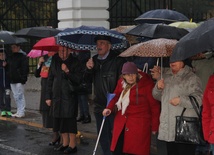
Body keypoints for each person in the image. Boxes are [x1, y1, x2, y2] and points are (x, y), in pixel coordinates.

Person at [102, 62, 160, 155]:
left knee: (135, 151)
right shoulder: (121, 83)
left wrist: (154, 126)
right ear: (123, 75)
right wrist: (109, 108)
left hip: (139, 125)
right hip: (121, 123)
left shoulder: (146, 84)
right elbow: (116, 96)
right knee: (118, 150)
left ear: (137, 73)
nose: (131, 77)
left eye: (133, 74)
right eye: (127, 75)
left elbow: (154, 106)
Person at [152, 59, 203, 155]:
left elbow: (199, 99)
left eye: (176, 59)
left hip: (185, 128)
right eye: (171, 60)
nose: (172, 62)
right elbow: (157, 97)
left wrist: (181, 100)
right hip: (168, 128)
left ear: (183, 61)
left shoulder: (192, 78)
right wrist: (158, 88)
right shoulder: (165, 77)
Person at [86, 35, 126, 155]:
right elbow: (85, 82)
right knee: (103, 136)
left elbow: (123, 83)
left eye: (102, 43)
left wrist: (117, 102)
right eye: (97, 43)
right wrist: (88, 69)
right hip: (99, 105)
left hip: (115, 106)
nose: (99, 46)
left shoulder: (118, 60)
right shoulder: (93, 60)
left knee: (117, 136)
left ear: (109, 46)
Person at [46, 46, 84, 154]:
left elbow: (78, 80)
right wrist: (48, 96)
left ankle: (72, 145)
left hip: (69, 96)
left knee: (70, 121)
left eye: (64, 50)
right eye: (60, 50)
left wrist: (67, 71)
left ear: (70, 50)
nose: (62, 52)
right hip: (56, 96)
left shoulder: (76, 62)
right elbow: (50, 78)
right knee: (60, 120)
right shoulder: (55, 60)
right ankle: (65, 143)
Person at [34, 52, 60, 145]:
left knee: (54, 111)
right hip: (45, 88)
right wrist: (39, 64)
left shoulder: (56, 58)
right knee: (47, 112)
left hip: (54, 87)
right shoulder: (44, 59)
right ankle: (54, 132)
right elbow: (37, 74)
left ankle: (57, 133)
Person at [7, 44, 29, 118]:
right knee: (15, 95)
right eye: (12, 47)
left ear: (18, 47)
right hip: (12, 79)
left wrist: (23, 78)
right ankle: (19, 110)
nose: (13, 49)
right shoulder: (11, 56)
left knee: (20, 95)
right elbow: (9, 67)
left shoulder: (22, 56)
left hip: (19, 79)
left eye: (14, 47)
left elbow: (25, 68)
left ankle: (21, 111)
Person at [73, 51, 92, 124]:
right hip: (78, 78)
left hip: (84, 78)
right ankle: (82, 115)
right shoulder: (75, 54)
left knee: (83, 98)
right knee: (79, 98)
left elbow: (83, 60)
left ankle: (86, 115)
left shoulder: (85, 52)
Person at [0, 48, 12, 117]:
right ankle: (2, 109)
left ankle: (8, 109)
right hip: (0, 83)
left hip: (7, 83)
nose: (2, 56)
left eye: (3, 55)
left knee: (7, 96)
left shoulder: (7, 62)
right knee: (1, 97)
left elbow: (10, 72)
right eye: (0, 55)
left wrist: (6, 66)